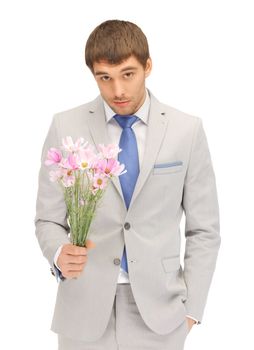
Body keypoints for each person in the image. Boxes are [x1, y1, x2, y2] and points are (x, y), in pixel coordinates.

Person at [35, 19, 221, 350]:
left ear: (148, 66)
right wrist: (58, 253)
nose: (117, 90)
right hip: (82, 308)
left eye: (128, 74)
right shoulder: (66, 126)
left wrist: (192, 309)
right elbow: (48, 218)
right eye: (104, 78)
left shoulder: (186, 130)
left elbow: (204, 229)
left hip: (161, 311)